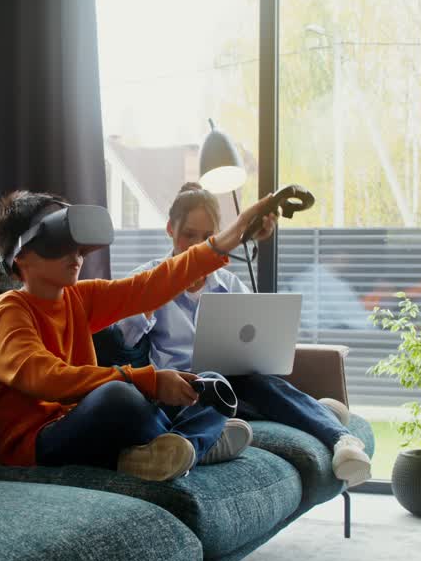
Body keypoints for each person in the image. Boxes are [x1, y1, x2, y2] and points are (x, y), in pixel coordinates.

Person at [0, 190, 277, 482]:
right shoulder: (8, 311)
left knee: (210, 382)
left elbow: (151, 286)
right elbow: (45, 378)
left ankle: (181, 448)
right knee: (118, 395)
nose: (75, 254)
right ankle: (196, 443)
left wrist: (232, 236)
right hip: (37, 444)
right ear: (21, 257)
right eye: (60, 244)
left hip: (91, 428)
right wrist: (149, 381)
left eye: (77, 245)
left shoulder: (79, 297)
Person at [115, 183, 372, 486]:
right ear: (170, 229)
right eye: (189, 235)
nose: (197, 245)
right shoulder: (146, 280)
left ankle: (342, 439)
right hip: (177, 392)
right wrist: (157, 293)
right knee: (229, 391)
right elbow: (125, 343)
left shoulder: (229, 283)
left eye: (207, 236)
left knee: (253, 382)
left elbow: (257, 343)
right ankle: (314, 413)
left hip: (229, 387)